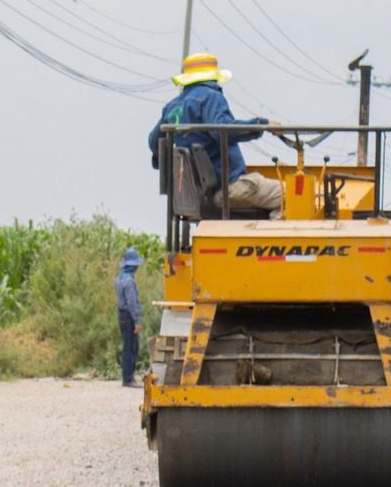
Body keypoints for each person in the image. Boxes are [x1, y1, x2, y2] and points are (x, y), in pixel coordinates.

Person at [146, 52, 282, 217]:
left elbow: (154, 144)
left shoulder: (173, 107)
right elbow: (222, 130)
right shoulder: (211, 97)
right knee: (293, 197)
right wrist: (263, 125)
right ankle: (274, 240)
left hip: (195, 195)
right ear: (214, 76)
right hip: (227, 188)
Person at [115, 246, 143, 388]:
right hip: (129, 316)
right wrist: (137, 321)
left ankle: (129, 376)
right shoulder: (129, 281)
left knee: (128, 345)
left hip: (122, 315)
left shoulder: (119, 278)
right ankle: (128, 378)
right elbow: (132, 303)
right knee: (131, 347)